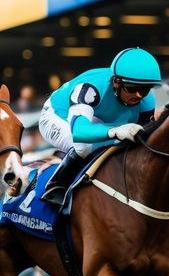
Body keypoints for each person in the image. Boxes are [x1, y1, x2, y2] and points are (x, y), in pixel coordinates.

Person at [36, 48, 160, 206]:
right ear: (116, 82)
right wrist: (114, 131)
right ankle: (56, 186)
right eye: (132, 88)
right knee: (85, 146)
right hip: (58, 115)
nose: (138, 95)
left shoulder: (147, 100)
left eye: (144, 89)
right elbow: (79, 132)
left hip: (98, 118)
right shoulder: (90, 88)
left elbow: (143, 142)